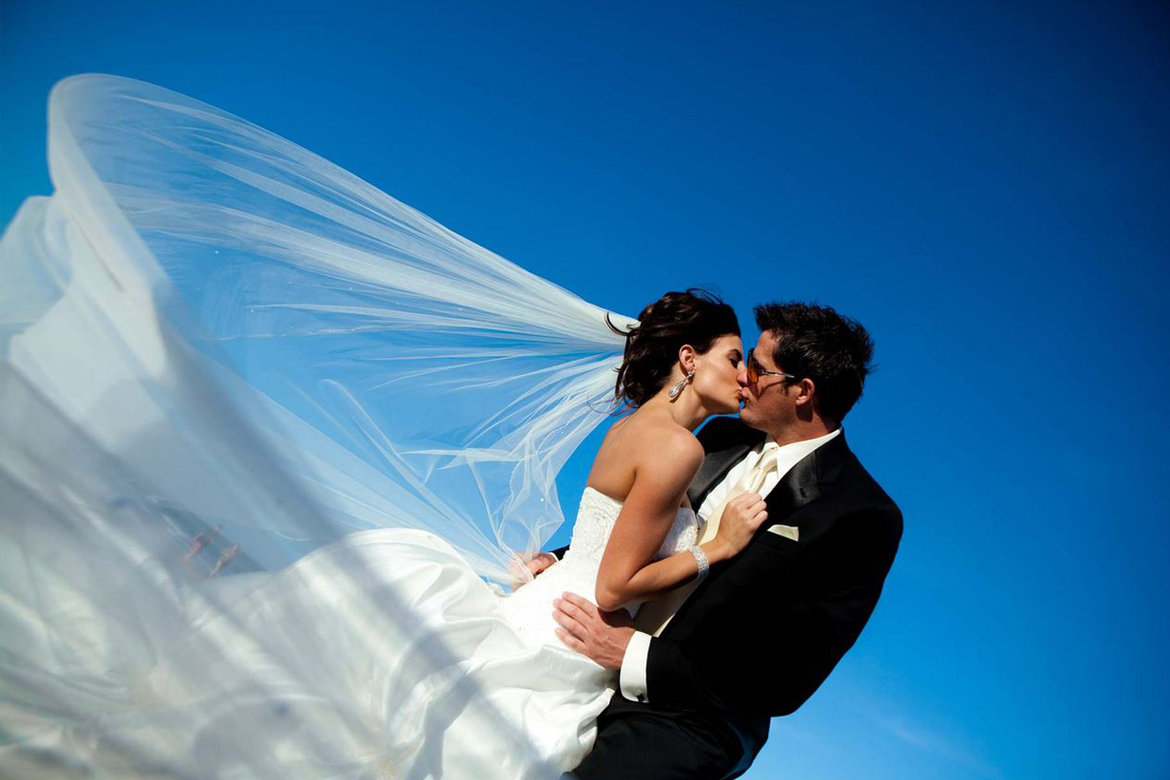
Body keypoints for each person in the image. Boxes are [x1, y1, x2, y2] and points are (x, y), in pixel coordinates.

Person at [551, 301, 903, 779]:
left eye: (757, 368)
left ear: (802, 391)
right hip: (585, 661)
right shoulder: (716, 438)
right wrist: (558, 559)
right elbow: (644, 528)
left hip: (686, 722)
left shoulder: (861, 515)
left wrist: (633, 654)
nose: (743, 378)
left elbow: (787, 677)